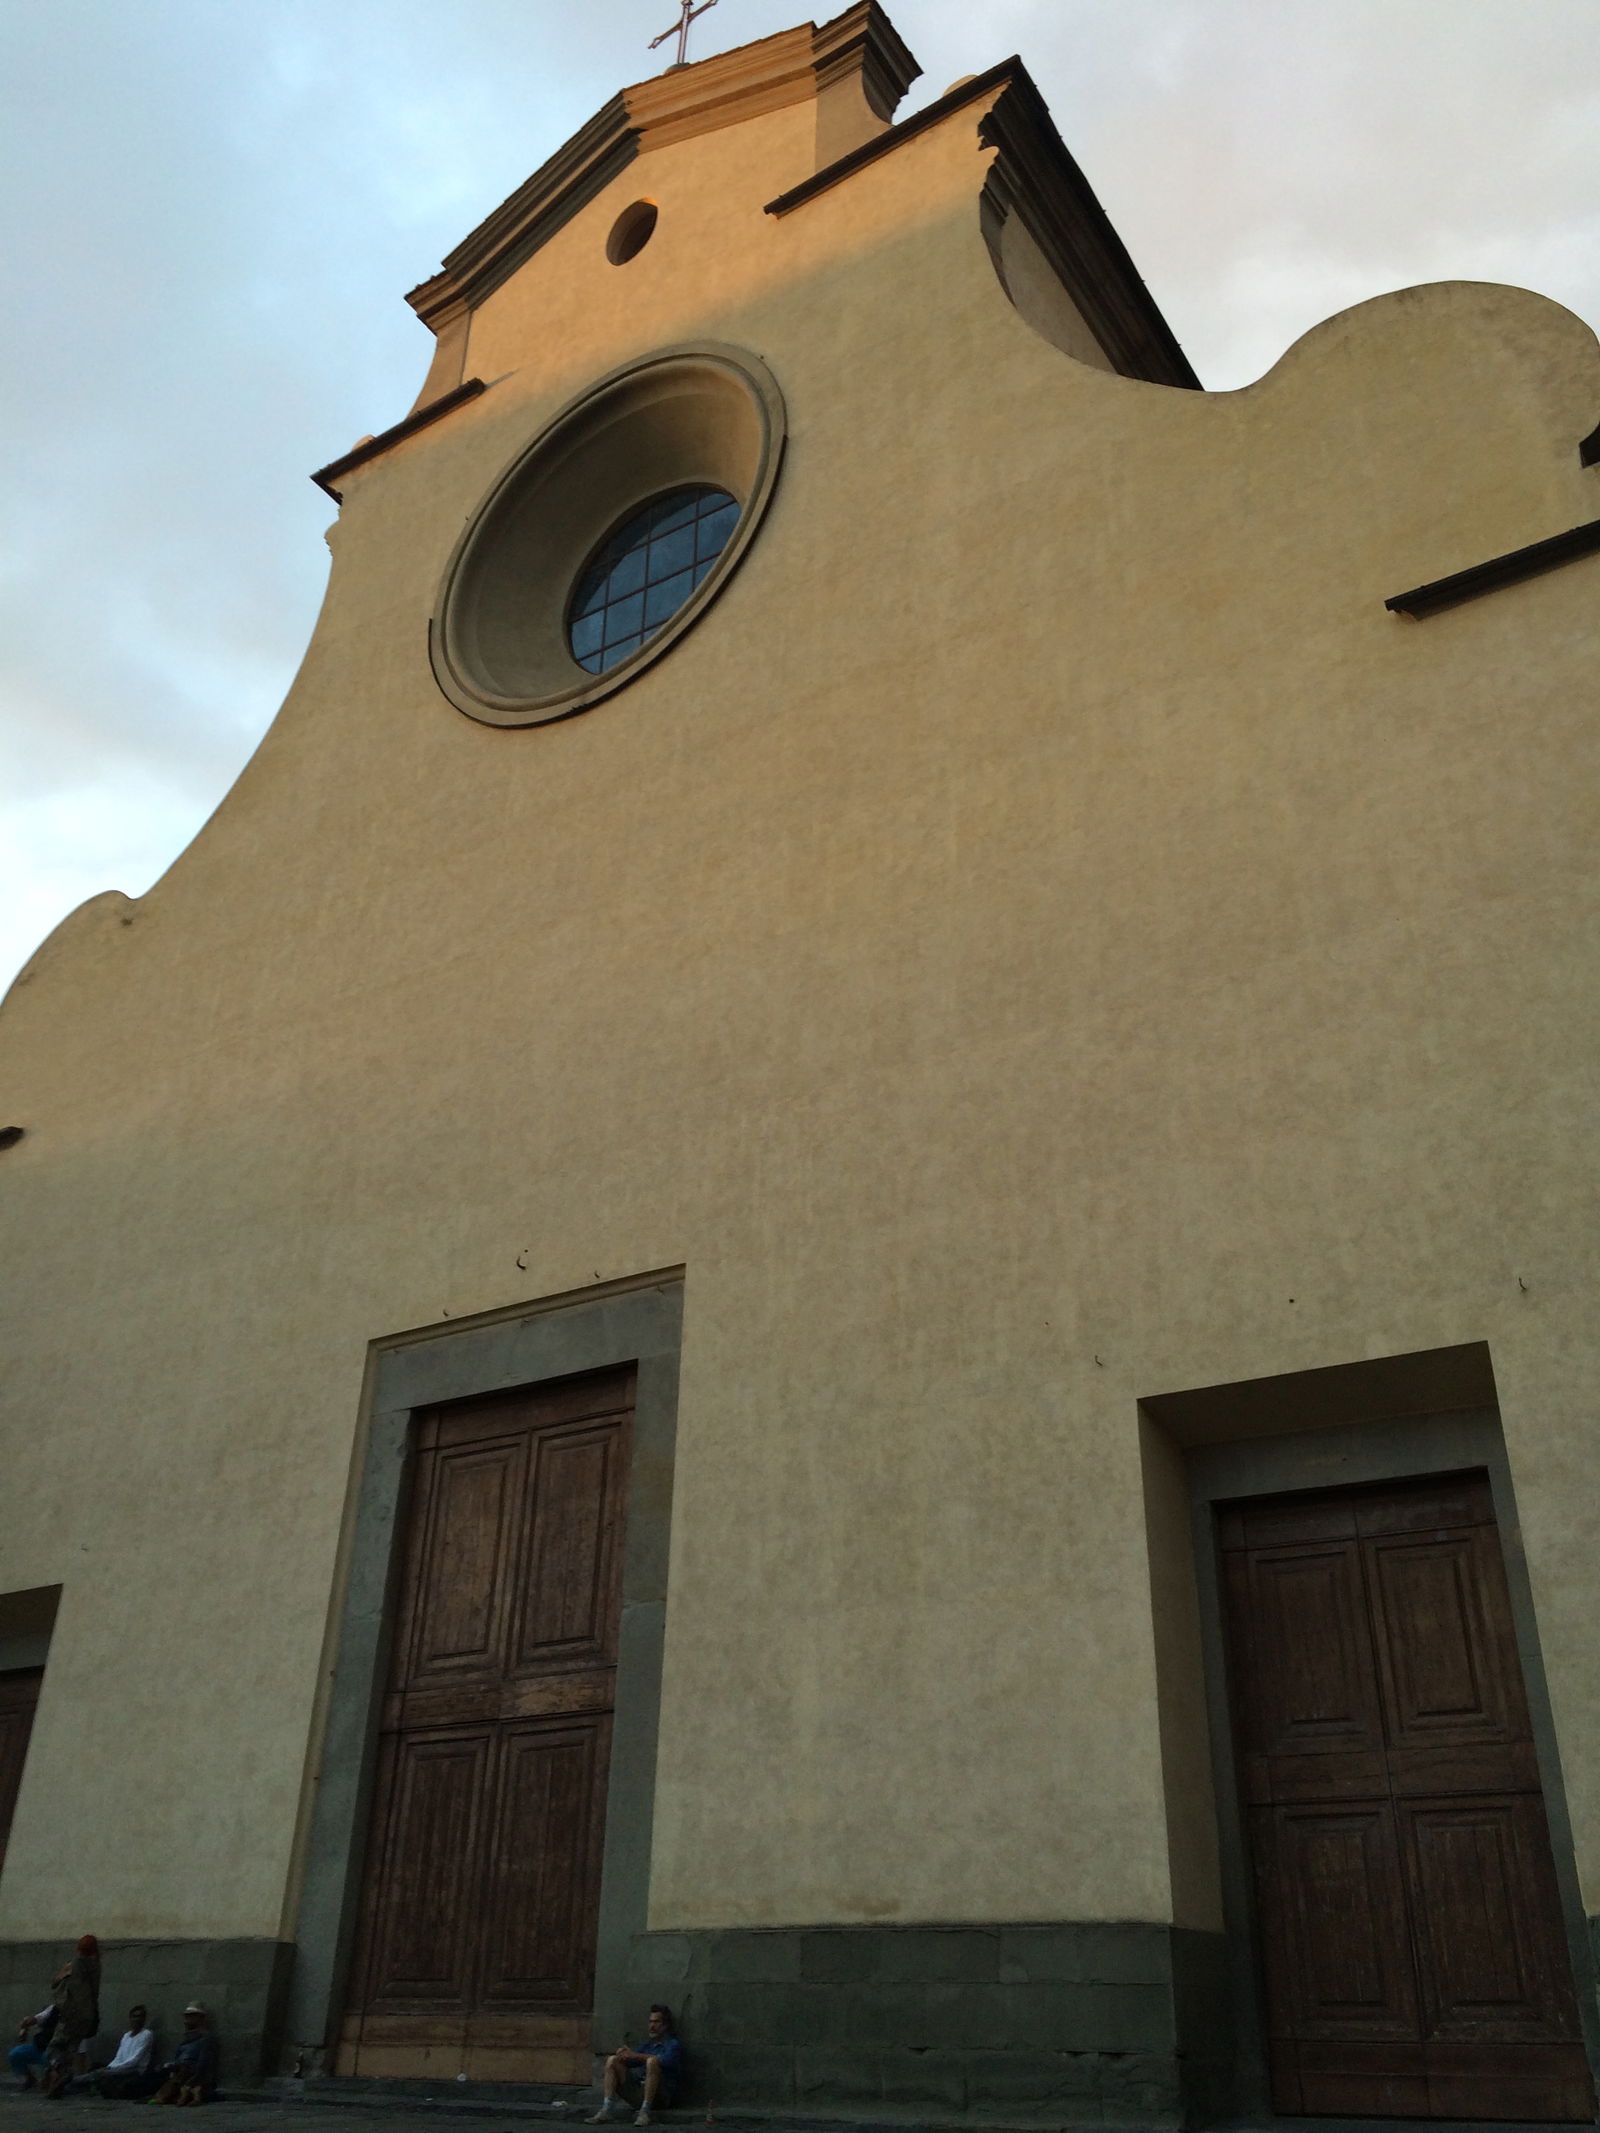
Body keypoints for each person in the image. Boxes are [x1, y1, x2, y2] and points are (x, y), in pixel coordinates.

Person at [590, 2004, 682, 2126]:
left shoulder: (673, 2045)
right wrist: (624, 2055)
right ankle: (607, 2109)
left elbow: (665, 2061)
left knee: (652, 2062)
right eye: (650, 2022)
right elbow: (631, 2061)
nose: (652, 2026)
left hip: (660, 2097)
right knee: (613, 2060)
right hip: (638, 2094)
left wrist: (635, 2055)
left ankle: (645, 2112)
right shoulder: (646, 2046)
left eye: (656, 2022)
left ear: (665, 2025)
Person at [55, 2005, 158, 2098]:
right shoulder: (126, 2036)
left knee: (99, 2074)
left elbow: (134, 2060)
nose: (137, 2019)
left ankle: (70, 2081)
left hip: (135, 2071)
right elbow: (119, 2057)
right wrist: (110, 2066)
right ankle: (66, 2088)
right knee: (98, 2073)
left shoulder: (146, 2035)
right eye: (134, 2016)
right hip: (120, 2067)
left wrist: (112, 2069)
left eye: (140, 2016)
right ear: (130, 2019)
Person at [40, 1938, 99, 2098]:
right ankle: (59, 2081)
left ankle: (60, 2073)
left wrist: (63, 1972)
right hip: (87, 2016)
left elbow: (56, 1983)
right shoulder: (95, 1966)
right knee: (71, 2050)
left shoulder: (74, 1964)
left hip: (70, 2014)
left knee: (54, 2048)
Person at [148, 2003, 217, 2106]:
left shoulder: (205, 2038)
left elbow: (203, 2064)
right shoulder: (186, 2039)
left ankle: (163, 2096)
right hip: (178, 2069)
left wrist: (191, 2081)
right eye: (187, 2016)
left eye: (191, 2016)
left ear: (200, 2018)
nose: (187, 2020)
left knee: (183, 2072)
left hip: (190, 2071)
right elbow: (178, 2058)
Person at [9, 2003, 59, 2089]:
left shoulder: (77, 2014)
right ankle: (30, 2079)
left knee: (52, 2066)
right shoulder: (53, 2009)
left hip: (56, 2051)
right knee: (15, 2054)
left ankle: (51, 2081)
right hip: (41, 2047)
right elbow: (36, 2019)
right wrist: (25, 2026)